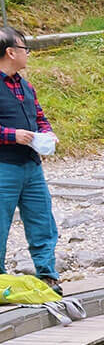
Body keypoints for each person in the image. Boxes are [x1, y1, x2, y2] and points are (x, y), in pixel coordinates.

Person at [0, 27, 61, 294]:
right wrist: (14, 135)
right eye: (25, 49)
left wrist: (47, 134)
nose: (27, 54)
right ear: (11, 52)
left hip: (32, 166)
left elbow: (39, 117)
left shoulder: (26, 85)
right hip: (4, 168)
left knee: (42, 221)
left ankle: (48, 276)